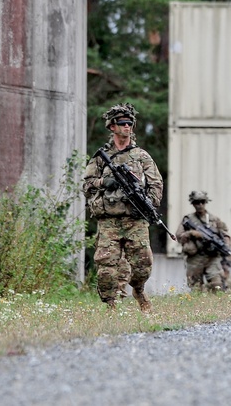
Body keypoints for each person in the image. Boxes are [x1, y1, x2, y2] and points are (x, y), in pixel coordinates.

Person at [82, 103, 162, 313]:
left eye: (130, 123)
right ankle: (111, 306)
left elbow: (156, 184)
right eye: (122, 123)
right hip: (109, 220)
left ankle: (138, 289)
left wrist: (147, 206)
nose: (127, 127)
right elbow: (86, 185)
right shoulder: (101, 158)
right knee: (106, 268)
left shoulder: (141, 156)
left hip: (135, 219)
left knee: (143, 265)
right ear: (112, 127)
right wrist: (103, 183)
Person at [175, 191, 231, 292]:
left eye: (202, 202)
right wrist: (191, 233)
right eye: (197, 202)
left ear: (205, 203)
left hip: (212, 257)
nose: (200, 205)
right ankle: (198, 307)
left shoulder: (214, 219)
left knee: (217, 285)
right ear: (193, 203)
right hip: (195, 257)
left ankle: (216, 306)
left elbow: (225, 235)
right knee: (196, 287)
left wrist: (226, 246)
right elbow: (179, 236)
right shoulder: (188, 219)